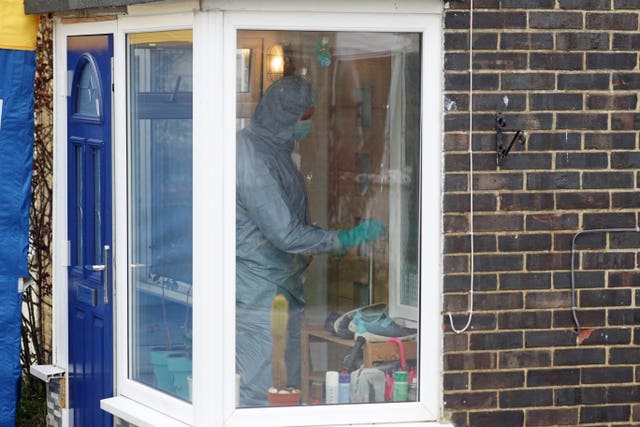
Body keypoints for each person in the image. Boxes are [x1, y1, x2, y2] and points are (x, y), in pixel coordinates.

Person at [236, 75, 386, 406]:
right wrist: (344, 239)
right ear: (283, 117)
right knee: (262, 389)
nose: (308, 127)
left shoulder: (271, 149)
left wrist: (323, 242)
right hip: (259, 292)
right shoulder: (253, 159)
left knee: (282, 384)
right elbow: (286, 233)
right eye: (303, 119)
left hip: (277, 287)